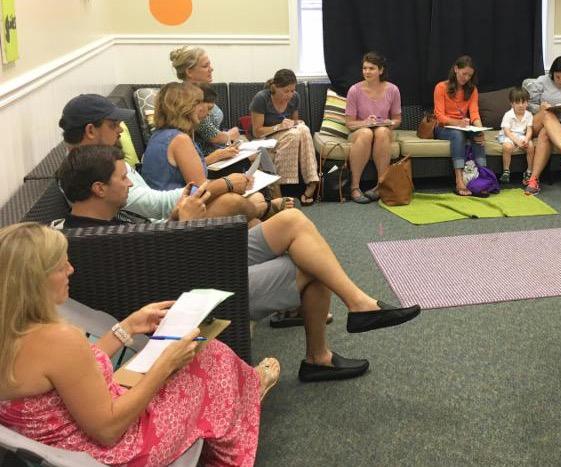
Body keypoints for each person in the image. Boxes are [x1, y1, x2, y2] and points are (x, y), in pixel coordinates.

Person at [58, 145, 422, 382]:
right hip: (200, 289)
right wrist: (186, 226)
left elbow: (154, 253)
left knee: (292, 223)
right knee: (311, 264)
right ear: (98, 188)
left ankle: (358, 304)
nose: (129, 183)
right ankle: (320, 355)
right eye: (123, 178)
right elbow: (168, 282)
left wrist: (176, 221)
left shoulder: (100, 224)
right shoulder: (97, 244)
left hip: (196, 259)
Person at [0, 222, 280, 466]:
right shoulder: (59, 340)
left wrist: (128, 327)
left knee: (203, 360)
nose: (71, 269)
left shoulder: (12, 335)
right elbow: (108, 430)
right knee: (211, 358)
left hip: (72, 446)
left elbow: (73, 373)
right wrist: (165, 364)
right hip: (121, 451)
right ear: (34, 281)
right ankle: (233, 436)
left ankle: (242, 397)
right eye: (61, 266)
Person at [59, 94, 285, 225]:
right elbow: (156, 205)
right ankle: (264, 210)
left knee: (251, 214)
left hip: (166, 216)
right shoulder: (85, 172)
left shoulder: (105, 158)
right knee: (233, 203)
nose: (120, 130)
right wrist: (224, 184)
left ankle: (262, 213)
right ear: (90, 130)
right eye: (113, 125)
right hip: (159, 226)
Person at [140, 82, 268, 226]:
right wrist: (230, 182)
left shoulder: (159, 135)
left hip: (171, 210)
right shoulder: (179, 139)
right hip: (175, 215)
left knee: (253, 219)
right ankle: (265, 209)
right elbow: (200, 191)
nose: (204, 110)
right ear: (185, 107)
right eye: (198, 103)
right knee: (236, 202)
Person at [249, 69, 319, 206]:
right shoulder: (261, 98)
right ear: (275, 87)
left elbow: (294, 122)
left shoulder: (295, 98)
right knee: (294, 134)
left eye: (292, 90)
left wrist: (296, 123)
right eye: (286, 91)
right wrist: (278, 127)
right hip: (265, 138)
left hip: (287, 134)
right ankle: (281, 188)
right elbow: (257, 132)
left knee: (304, 129)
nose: (290, 95)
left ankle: (312, 181)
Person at [522, 55, 561, 195]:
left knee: (545, 134)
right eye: (557, 77)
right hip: (538, 121)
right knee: (547, 114)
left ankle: (533, 181)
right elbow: (528, 105)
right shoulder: (542, 81)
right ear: (552, 73)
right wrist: (540, 108)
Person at [344, 52, 402, 204]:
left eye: (371, 68)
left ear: (380, 70)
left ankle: (380, 185)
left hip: (383, 130)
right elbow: (349, 123)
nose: (367, 72)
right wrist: (365, 123)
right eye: (364, 68)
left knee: (381, 132)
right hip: (360, 131)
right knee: (366, 133)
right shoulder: (354, 90)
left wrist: (389, 122)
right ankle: (354, 187)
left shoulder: (393, 90)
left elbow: (397, 120)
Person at [170, 46, 240, 157]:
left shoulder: (202, 92)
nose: (211, 69)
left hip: (218, 151)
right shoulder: (187, 99)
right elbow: (211, 135)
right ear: (189, 71)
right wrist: (229, 135)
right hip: (204, 157)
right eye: (205, 66)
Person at [434, 55, 487, 196]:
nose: (466, 78)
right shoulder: (441, 87)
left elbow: (474, 113)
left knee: (477, 136)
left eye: (470, 75)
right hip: (443, 128)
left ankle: (483, 178)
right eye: (464, 74)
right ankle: (459, 180)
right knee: (457, 134)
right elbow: (440, 116)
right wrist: (458, 123)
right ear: (456, 69)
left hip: (463, 127)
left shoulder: (472, 89)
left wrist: (480, 130)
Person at [497, 87, 535, 186]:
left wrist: (526, 139)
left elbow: (529, 129)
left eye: (523, 102)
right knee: (507, 147)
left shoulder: (529, 115)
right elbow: (507, 131)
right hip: (509, 134)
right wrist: (517, 141)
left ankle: (529, 171)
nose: (521, 105)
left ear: (527, 103)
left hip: (522, 135)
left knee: (530, 145)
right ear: (512, 103)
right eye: (517, 103)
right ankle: (506, 170)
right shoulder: (508, 115)